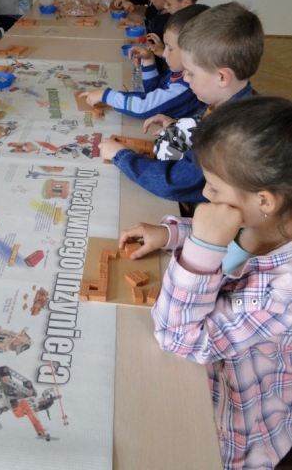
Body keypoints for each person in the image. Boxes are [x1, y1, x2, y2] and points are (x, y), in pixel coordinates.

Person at [119, 96, 292, 470]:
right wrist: (173, 235)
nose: (205, 196)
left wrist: (200, 250)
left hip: (232, 427)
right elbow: (233, 240)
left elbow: (178, 338)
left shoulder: (283, 292)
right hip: (201, 369)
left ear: (264, 200)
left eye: (213, 187)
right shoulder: (268, 222)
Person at [98, 2, 264, 203]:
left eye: (190, 72)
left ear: (222, 78)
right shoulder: (234, 102)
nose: (185, 78)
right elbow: (203, 126)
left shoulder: (228, 137)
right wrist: (177, 125)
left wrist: (121, 156)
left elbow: (174, 182)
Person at [79, 5, 208, 120]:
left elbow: (143, 106)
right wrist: (149, 60)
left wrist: (106, 96)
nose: (164, 54)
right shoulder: (179, 72)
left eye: (170, 49)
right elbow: (154, 92)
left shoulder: (186, 86)